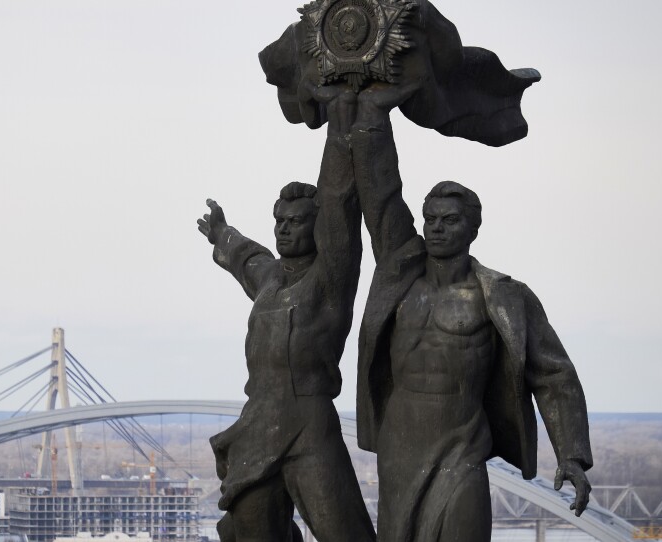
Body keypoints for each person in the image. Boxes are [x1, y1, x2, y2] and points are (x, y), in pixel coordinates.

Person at [342, 90, 594, 541]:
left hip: (462, 445)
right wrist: (373, 116)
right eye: (430, 219)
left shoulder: (502, 297)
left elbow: (554, 375)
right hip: (400, 448)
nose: (436, 228)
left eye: (450, 221)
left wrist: (572, 454)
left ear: (472, 228)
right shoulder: (400, 274)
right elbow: (381, 193)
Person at [196, 137, 376, 541]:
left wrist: (344, 127)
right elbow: (246, 257)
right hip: (259, 423)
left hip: (309, 424)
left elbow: (339, 201)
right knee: (250, 527)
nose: (283, 228)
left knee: (343, 531)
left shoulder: (331, 278)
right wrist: (222, 233)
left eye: (295, 222)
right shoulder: (270, 278)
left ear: (320, 227)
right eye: (279, 220)